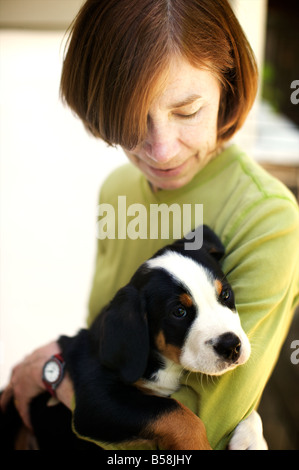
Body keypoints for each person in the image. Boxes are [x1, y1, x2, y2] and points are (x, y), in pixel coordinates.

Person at [1, 0, 299, 450]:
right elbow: (105, 348)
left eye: (187, 110)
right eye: (134, 119)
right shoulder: (119, 189)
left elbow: (206, 428)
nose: (160, 152)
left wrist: (52, 373)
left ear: (228, 84)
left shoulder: (267, 218)